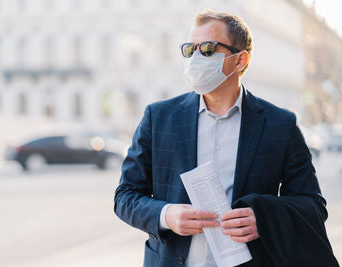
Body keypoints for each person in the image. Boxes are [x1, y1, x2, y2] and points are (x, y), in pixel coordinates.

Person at [114, 9, 339, 267]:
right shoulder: (159, 117)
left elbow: (313, 206)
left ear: (240, 60)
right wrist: (166, 215)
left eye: (208, 49)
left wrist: (263, 218)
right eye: (190, 49)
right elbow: (125, 196)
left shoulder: (280, 125)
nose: (196, 57)